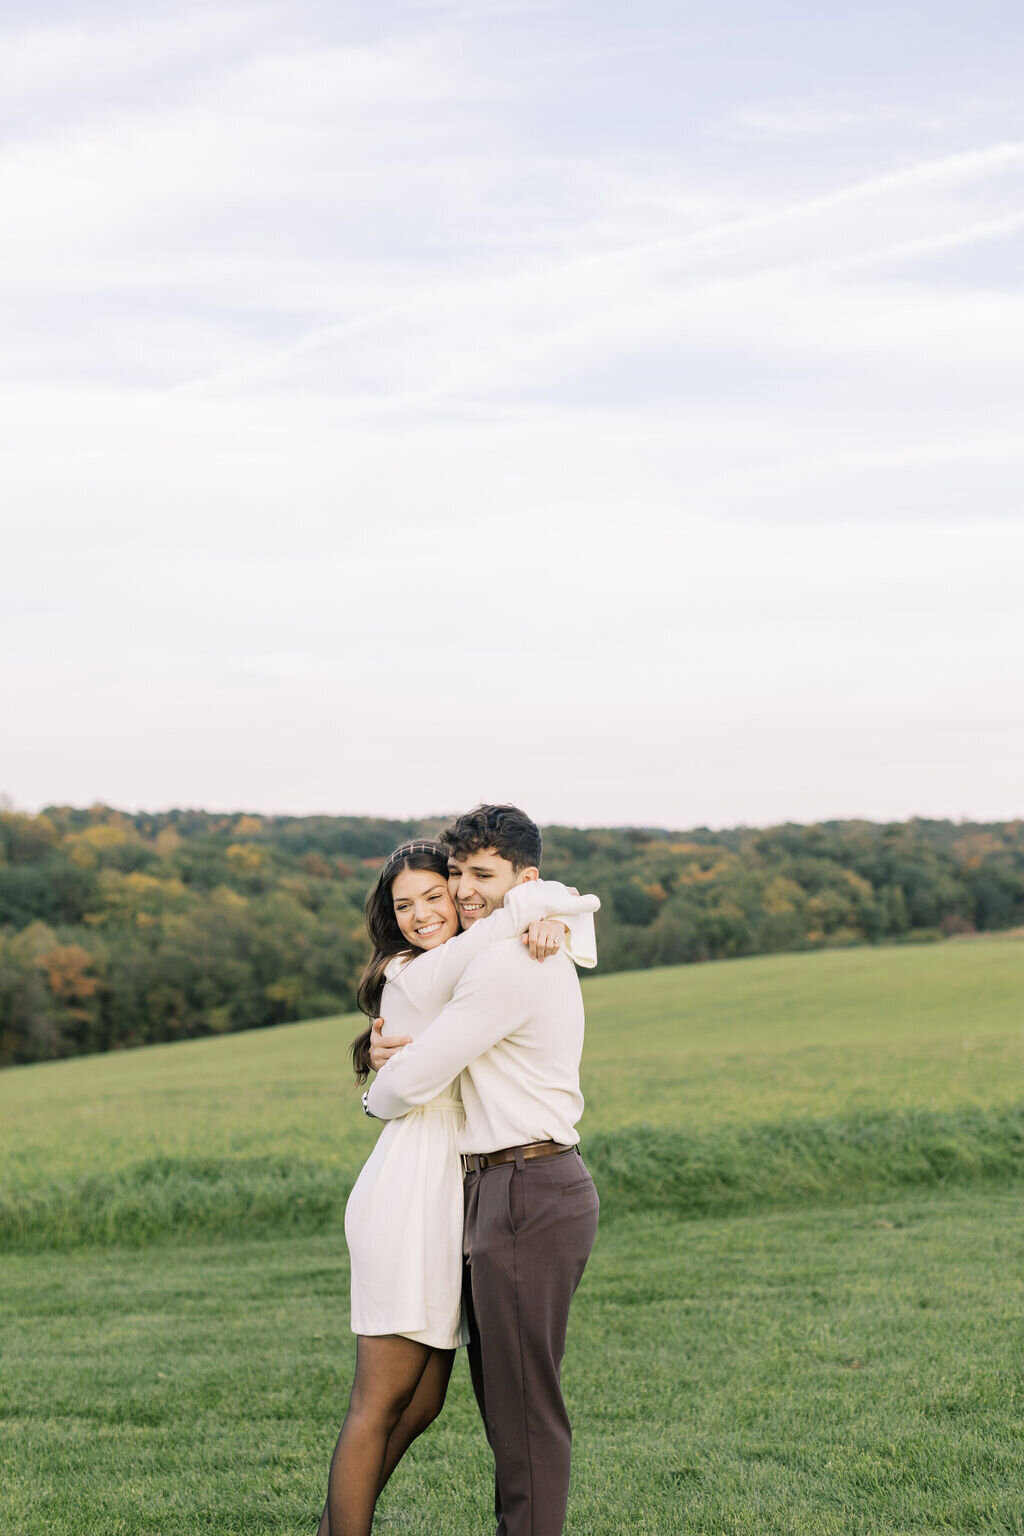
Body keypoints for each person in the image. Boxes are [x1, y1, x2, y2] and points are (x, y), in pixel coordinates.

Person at [317, 838, 598, 1536]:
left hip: (454, 1193)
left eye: (433, 896)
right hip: (410, 1190)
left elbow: (522, 905)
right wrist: (533, 909)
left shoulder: (466, 959)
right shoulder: (416, 972)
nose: (420, 914)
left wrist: (546, 910)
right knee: (381, 1400)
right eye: (402, 905)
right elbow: (392, 1092)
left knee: (422, 1403)